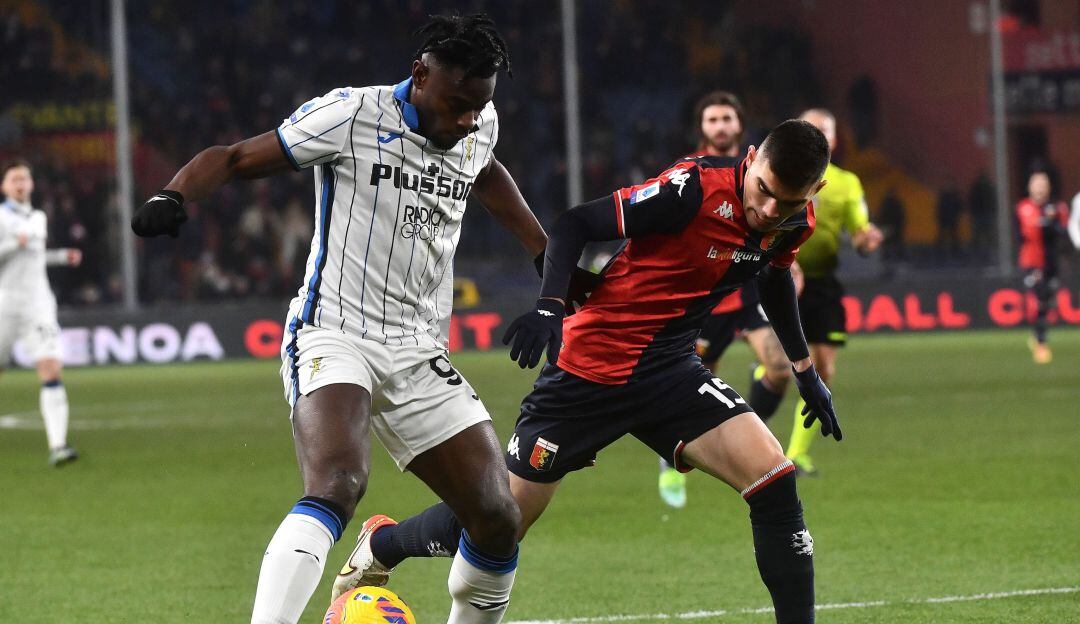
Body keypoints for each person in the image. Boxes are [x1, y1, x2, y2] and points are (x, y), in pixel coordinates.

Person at [131, 14, 592, 624]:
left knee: (498, 516)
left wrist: (541, 252)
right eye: (455, 104)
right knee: (339, 481)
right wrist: (175, 193)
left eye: (477, 107)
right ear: (419, 75)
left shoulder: (478, 125)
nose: (465, 121)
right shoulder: (351, 115)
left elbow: (487, 172)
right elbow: (239, 157)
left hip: (420, 347)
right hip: (334, 330)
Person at [341, 120, 843, 624]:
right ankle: (384, 542)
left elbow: (775, 281)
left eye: (789, 201)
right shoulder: (692, 190)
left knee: (773, 478)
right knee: (500, 520)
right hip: (588, 370)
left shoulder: (794, 221)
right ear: (751, 158)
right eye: (764, 191)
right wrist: (549, 307)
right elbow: (574, 224)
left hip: (669, 372)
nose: (770, 211)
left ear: (814, 190)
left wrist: (804, 371)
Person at [658, 91, 797, 509]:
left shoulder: (761, 170)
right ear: (702, 128)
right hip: (707, 296)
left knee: (778, 368)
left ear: (740, 126)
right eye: (712, 120)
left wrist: (790, 266)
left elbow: (781, 220)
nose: (720, 127)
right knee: (694, 388)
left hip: (749, 286)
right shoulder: (692, 174)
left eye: (727, 119)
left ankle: (751, 433)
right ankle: (672, 462)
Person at [783, 109, 882, 477]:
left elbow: (859, 233)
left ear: (835, 139)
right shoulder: (781, 172)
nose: (819, 135)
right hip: (780, 279)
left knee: (823, 368)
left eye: (825, 130)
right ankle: (768, 370)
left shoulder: (847, 183)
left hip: (822, 283)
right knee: (782, 364)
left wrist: (867, 240)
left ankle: (795, 454)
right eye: (812, 129)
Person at [0, 158, 82, 466]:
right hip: (5, 303)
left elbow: (34, 258)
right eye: (14, 180)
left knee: (50, 367)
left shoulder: (38, 217)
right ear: (4, 187)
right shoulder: (1, 218)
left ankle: (58, 446)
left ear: (31, 184)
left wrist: (62, 256)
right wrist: (11, 244)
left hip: (38, 303)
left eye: (24, 179)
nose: (20, 184)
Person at [1016, 171, 1069, 364]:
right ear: (1030, 187)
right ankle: (1041, 343)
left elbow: (1064, 234)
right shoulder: (1022, 208)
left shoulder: (1058, 208)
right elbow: (1018, 236)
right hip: (1031, 262)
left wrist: (1052, 222)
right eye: (1036, 183)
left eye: (1043, 183)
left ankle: (1038, 335)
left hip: (1052, 263)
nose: (1039, 187)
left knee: (1048, 301)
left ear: (1048, 187)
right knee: (1038, 299)